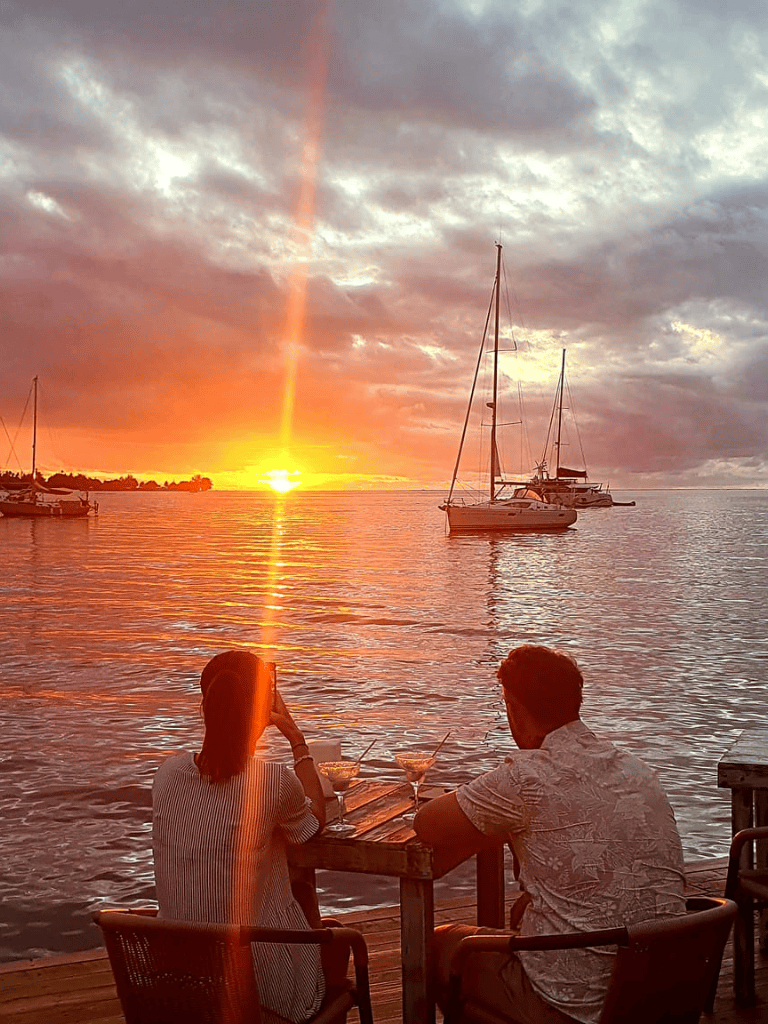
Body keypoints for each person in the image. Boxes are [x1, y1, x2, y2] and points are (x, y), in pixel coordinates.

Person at [414, 644, 686, 1024]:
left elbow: (427, 823)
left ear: (515, 708)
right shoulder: (636, 769)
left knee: (441, 945)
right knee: (525, 913)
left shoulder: (524, 779)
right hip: (662, 991)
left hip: (576, 1006)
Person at [152, 650, 328, 1023]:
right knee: (333, 938)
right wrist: (295, 736)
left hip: (181, 990)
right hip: (260, 993)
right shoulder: (272, 781)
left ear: (205, 705)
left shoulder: (167, 774)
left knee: (292, 887)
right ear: (262, 711)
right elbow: (313, 823)